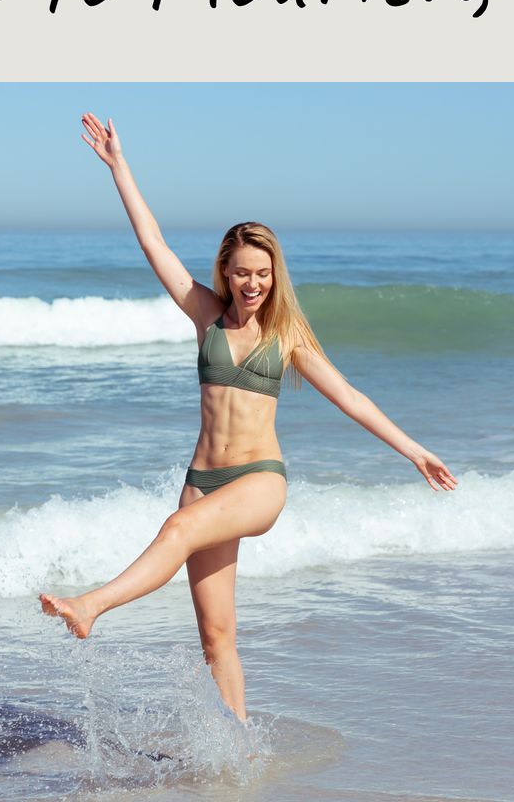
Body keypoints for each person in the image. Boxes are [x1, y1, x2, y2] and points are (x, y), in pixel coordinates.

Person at [40, 114, 458, 721]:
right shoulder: (205, 315)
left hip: (259, 480)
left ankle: (90, 607)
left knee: (176, 532)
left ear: (274, 274)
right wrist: (118, 167)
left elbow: (349, 396)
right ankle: (237, 752)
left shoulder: (287, 334)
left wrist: (414, 450)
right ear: (225, 272)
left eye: (263, 273)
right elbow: (153, 241)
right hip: (203, 479)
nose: (253, 283)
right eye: (242, 273)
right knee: (217, 637)